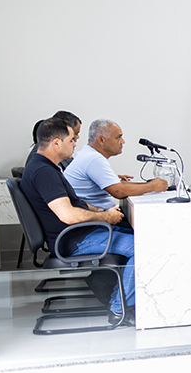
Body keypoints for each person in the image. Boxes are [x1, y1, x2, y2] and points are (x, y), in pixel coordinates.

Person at [20, 117, 134, 322]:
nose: (75, 144)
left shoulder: (47, 167)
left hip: (79, 234)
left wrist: (100, 210)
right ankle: (119, 310)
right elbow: (68, 215)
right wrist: (105, 217)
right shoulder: (44, 172)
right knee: (143, 247)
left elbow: (74, 204)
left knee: (140, 235)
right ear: (57, 143)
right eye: (72, 140)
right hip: (75, 240)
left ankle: (107, 287)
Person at [64, 119, 168, 209]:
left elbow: (118, 185)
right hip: (97, 222)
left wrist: (150, 185)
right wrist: (152, 187)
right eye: (118, 137)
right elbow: (119, 191)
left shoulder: (89, 154)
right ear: (101, 140)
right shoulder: (94, 159)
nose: (123, 142)